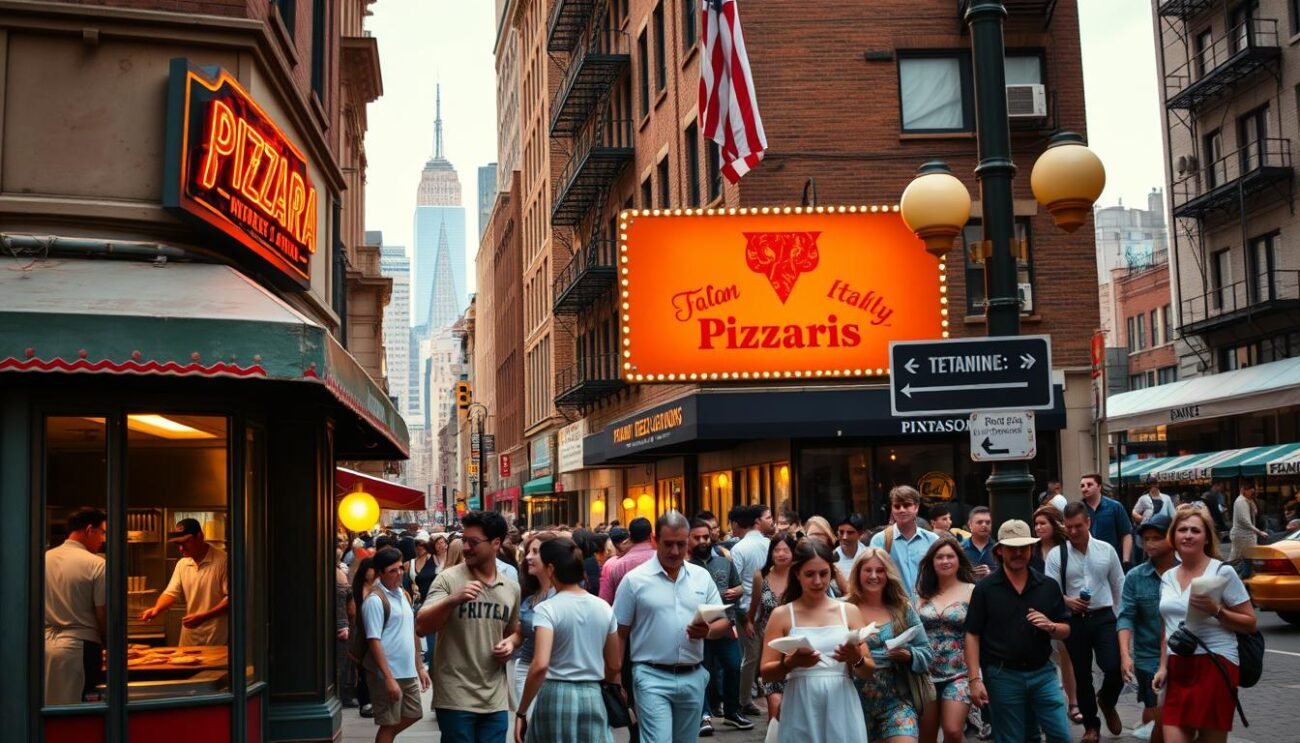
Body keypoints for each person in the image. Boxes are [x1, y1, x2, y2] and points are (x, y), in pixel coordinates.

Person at [612, 511, 732, 743]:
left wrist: (707, 631)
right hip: (650, 675)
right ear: (655, 540)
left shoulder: (701, 577)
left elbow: (723, 622)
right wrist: (616, 680)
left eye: (681, 544)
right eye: (668, 544)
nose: (675, 551)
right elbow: (620, 631)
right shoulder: (635, 580)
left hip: (693, 675)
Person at [417, 510, 523, 743]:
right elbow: (422, 626)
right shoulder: (447, 579)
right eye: (464, 540)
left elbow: (515, 631)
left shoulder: (511, 587)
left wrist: (510, 643)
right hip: (455, 695)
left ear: (496, 543)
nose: (465, 547)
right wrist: (452, 600)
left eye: (473, 542)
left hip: (495, 697)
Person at [1154, 506, 1256, 742]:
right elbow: (1167, 627)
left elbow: (1250, 623)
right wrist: (1163, 666)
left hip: (1215, 664)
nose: (1188, 535)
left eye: (1195, 530)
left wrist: (1217, 611)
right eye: (1182, 530)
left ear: (1206, 537)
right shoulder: (1168, 577)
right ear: (1173, 536)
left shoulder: (1222, 572)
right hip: (1178, 666)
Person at [964, 520, 1072, 743]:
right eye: (1012, 548)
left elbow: (1066, 629)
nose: (1018, 553)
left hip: (1043, 673)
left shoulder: (1047, 585)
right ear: (1000, 550)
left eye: (1023, 547)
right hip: (1003, 674)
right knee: (1012, 738)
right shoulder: (985, 588)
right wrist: (974, 679)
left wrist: (1050, 626)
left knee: (1061, 734)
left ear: (1032, 549)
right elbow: (972, 634)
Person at [759, 539, 873, 743]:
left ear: (831, 572)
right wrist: (790, 663)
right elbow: (766, 672)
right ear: (797, 574)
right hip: (800, 700)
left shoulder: (849, 611)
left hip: (841, 701)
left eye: (824, 574)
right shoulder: (783, 614)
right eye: (810, 574)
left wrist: (856, 659)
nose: (818, 581)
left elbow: (868, 671)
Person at [514, 537, 620, 743]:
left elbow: (540, 665)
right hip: (592, 694)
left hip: (555, 693)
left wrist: (522, 711)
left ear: (551, 569)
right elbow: (614, 664)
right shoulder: (603, 608)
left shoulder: (547, 609)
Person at [1043, 502, 1125, 743]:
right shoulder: (1058, 554)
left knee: (1113, 667)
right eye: (1069, 527)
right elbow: (1050, 592)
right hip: (1075, 621)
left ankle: (1107, 701)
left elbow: (1118, 585)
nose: (1074, 531)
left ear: (1088, 522)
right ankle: (1092, 725)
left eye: (1078, 526)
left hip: (1104, 616)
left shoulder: (1106, 550)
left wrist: (1121, 622)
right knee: (1082, 674)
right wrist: (1068, 601)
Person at [847, 547, 934, 743]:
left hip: (896, 699)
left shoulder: (902, 608)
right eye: (868, 570)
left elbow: (927, 652)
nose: (874, 576)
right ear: (858, 573)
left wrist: (909, 655)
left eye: (880, 570)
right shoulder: (844, 607)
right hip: (852, 700)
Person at [1118, 511, 1176, 743]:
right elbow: (1125, 616)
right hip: (1148, 657)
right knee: (1158, 712)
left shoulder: (1185, 572)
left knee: (1173, 718)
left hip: (1184, 656)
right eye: (1147, 539)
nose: (1150, 543)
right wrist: (1125, 655)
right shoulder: (1135, 576)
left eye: (1157, 538)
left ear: (1171, 539)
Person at [362, 547, 431, 743]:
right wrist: (388, 678)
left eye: (401, 568)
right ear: (380, 573)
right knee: (388, 724)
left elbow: (412, 631)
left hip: (406, 671)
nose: (399, 573)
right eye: (392, 570)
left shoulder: (403, 594)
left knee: (414, 713)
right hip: (388, 673)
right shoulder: (375, 600)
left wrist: (419, 667)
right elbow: (373, 641)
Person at [689, 518, 749, 735]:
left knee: (733, 666)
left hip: (725, 625)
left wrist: (739, 590)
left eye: (706, 537)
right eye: (697, 538)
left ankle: (732, 712)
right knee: (702, 673)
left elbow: (738, 585)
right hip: (699, 628)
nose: (703, 541)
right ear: (688, 539)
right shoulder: (686, 567)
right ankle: (704, 715)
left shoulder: (724, 561)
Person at [916, 537, 977, 743]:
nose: (945, 561)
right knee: (927, 737)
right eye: (939, 557)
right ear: (932, 562)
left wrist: (977, 676)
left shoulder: (972, 590)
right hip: (926, 674)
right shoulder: (923, 592)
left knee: (952, 730)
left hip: (959, 672)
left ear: (958, 559)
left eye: (950, 556)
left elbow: (978, 633)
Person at [44, 507, 107, 705]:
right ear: (90, 530)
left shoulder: (43, 560)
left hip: (44, 647)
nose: (103, 539)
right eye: (102, 532)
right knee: (80, 710)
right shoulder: (96, 564)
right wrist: (109, 647)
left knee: (50, 706)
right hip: (80, 648)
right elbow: (102, 613)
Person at [140, 518, 230, 646]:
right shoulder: (182, 564)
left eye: (185, 542)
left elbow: (231, 599)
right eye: (178, 544)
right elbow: (171, 593)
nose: (181, 549)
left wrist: (204, 617)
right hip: (189, 639)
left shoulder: (223, 561)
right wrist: (157, 609)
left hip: (216, 638)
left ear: (200, 536)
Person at [1029, 505, 1080, 724]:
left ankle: (1073, 702)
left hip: (1062, 610)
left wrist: (1067, 600)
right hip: (1038, 608)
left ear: (1054, 524)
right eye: (1036, 524)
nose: (1039, 528)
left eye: (1043, 523)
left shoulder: (1066, 548)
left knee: (1066, 654)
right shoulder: (1032, 550)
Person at [731, 504, 776, 718]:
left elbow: (735, 582)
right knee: (770, 654)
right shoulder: (771, 545)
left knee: (749, 657)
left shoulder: (738, 549)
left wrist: (744, 617)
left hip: (746, 610)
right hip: (771, 608)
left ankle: (744, 700)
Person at [748, 533, 796, 730]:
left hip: (794, 642)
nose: (781, 554)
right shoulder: (761, 576)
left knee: (791, 703)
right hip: (771, 644)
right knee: (774, 707)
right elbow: (755, 604)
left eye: (786, 550)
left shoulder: (799, 575)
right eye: (777, 550)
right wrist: (750, 621)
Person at [869, 485, 940, 599]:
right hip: (894, 606)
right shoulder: (880, 540)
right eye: (897, 506)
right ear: (892, 509)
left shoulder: (932, 539)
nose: (901, 510)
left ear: (916, 507)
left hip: (928, 604)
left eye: (906, 505)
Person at [515, 531, 558, 715]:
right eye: (528, 552)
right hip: (525, 669)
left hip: (555, 672)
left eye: (535, 552)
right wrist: (510, 642)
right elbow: (521, 631)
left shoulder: (563, 594)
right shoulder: (529, 592)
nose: (528, 557)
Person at [1078, 474, 1133, 566]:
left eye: (1089, 484)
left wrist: (1125, 560)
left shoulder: (1115, 507)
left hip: (1112, 560)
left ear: (1099, 486)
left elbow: (1126, 534)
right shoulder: (1078, 509)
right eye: (1082, 486)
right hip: (1086, 561)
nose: (1085, 488)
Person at [600, 517, 655, 604]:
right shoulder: (661, 560)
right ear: (651, 535)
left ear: (630, 536)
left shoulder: (619, 565)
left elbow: (605, 601)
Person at [1228, 482, 1268, 565]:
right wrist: (1259, 532)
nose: (1254, 493)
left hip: (1247, 535)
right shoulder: (1241, 502)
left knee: (1245, 558)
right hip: (1242, 536)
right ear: (1244, 490)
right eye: (1252, 491)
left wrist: (1252, 501)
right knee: (1237, 558)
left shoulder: (1248, 501)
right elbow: (1245, 521)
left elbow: (1255, 512)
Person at [961, 506, 997, 580]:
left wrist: (990, 574)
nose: (984, 525)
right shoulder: (960, 548)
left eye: (988, 522)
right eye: (979, 522)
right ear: (970, 525)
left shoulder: (998, 549)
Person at [834, 513, 868, 577]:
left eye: (850, 533)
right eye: (841, 532)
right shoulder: (832, 557)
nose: (845, 537)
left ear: (860, 534)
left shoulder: (868, 556)